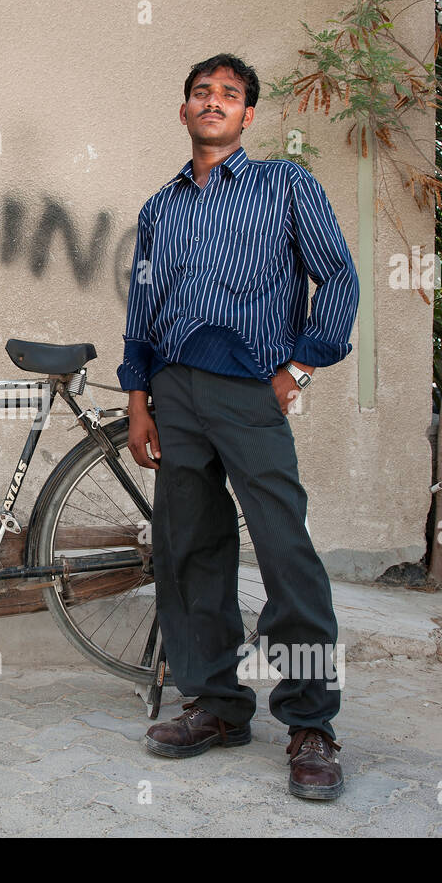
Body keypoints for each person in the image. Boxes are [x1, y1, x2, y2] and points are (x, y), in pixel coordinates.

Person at [117, 53, 359, 800]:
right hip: (173, 391)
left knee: (286, 550)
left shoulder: (286, 186)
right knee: (189, 548)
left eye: (229, 94)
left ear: (248, 115)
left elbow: (341, 277)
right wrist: (138, 396)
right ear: (184, 111)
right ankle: (218, 706)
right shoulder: (161, 208)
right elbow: (144, 306)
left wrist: (301, 367)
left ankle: (312, 723)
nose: (214, 103)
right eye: (201, 93)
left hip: (251, 390)